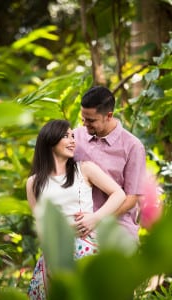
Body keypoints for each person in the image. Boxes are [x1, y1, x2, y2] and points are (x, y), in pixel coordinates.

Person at [26, 119, 126, 300]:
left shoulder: (84, 169)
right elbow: (41, 226)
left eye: (73, 136)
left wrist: (96, 218)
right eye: (66, 136)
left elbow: (119, 194)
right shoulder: (33, 182)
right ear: (50, 140)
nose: (73, 140)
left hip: (87, 247)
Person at [73, 85, 146, 241]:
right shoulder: (75, 137)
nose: (85, 124)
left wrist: (97, 219)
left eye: (91, 120)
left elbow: (132, 198)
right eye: (83, 118)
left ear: (109, 115)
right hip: (78, 226)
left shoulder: (133, 146)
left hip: (118, 227)